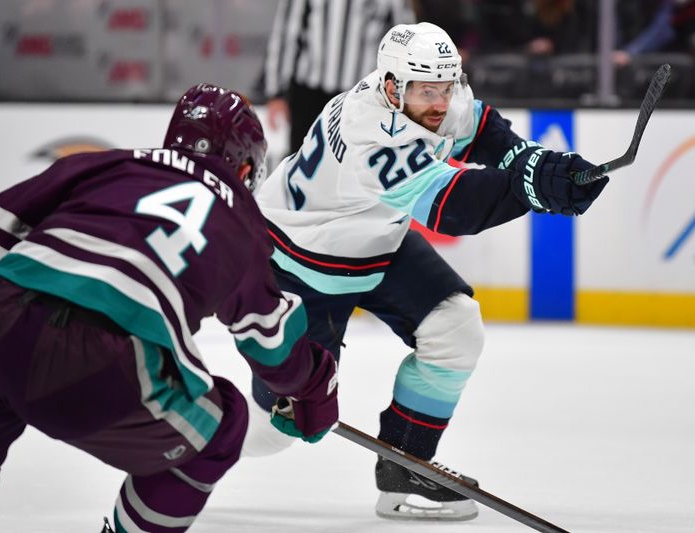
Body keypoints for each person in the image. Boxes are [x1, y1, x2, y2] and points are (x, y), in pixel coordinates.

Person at [0, 84, 339, 532]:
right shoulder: (240, 219)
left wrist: (13, 335)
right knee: (221, 429)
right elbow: (272, 347)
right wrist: (315, 389)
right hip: (98, 361)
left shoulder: (110, 162)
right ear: (245, 167)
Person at [246, 22, 608, 521]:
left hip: (374, 239)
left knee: (455, 328)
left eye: (446, 86)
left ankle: (405, 468)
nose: (439, 102)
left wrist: (535, 162)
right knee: (278, 425)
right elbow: (454, 210)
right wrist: (533, 188)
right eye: (425, 91)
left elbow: (481, 129)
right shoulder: (368, 132)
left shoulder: (429, 92)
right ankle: (189, 445)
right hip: (302, 260)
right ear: (392, 86)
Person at [264, 0, 415, 158]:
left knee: (357, 169)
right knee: (304, 166)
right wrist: (277, 93)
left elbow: (405, 38)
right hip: (310, 95)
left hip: (363, 98)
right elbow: (287, 30)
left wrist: (404, 96)